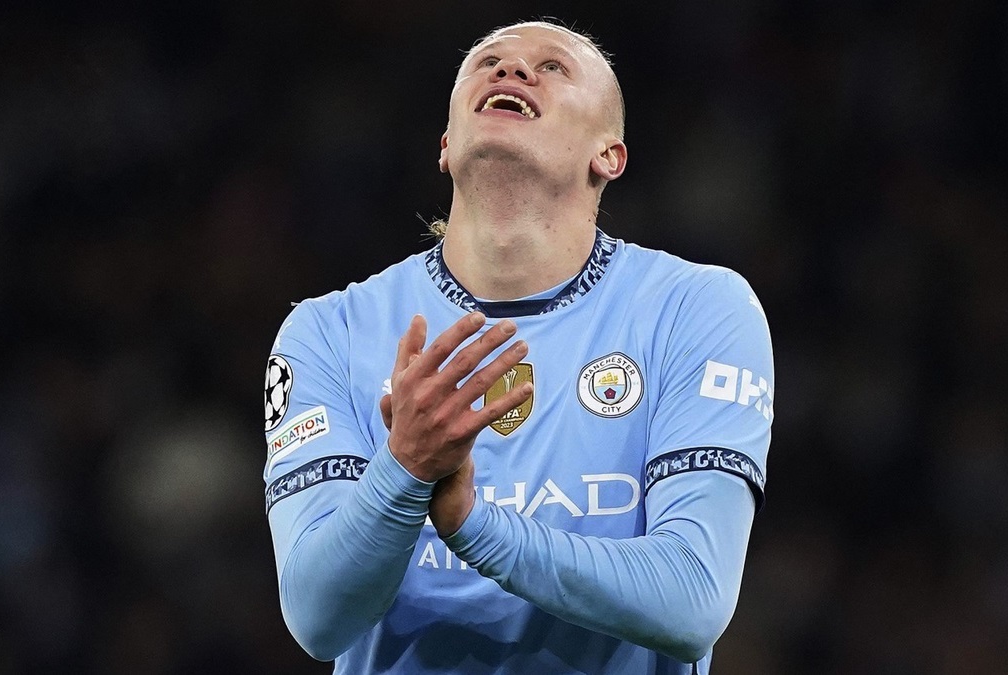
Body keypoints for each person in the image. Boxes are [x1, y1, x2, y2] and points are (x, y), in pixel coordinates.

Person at [262, 20, 774, 674]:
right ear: (446, 146)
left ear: (609, 155)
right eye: (487, 62)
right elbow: (317, 618)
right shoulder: (328, 333)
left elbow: (691, 600)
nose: (510, 71)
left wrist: (473, 524)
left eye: (553, 66)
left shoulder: (692, 309)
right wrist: (405, 468)